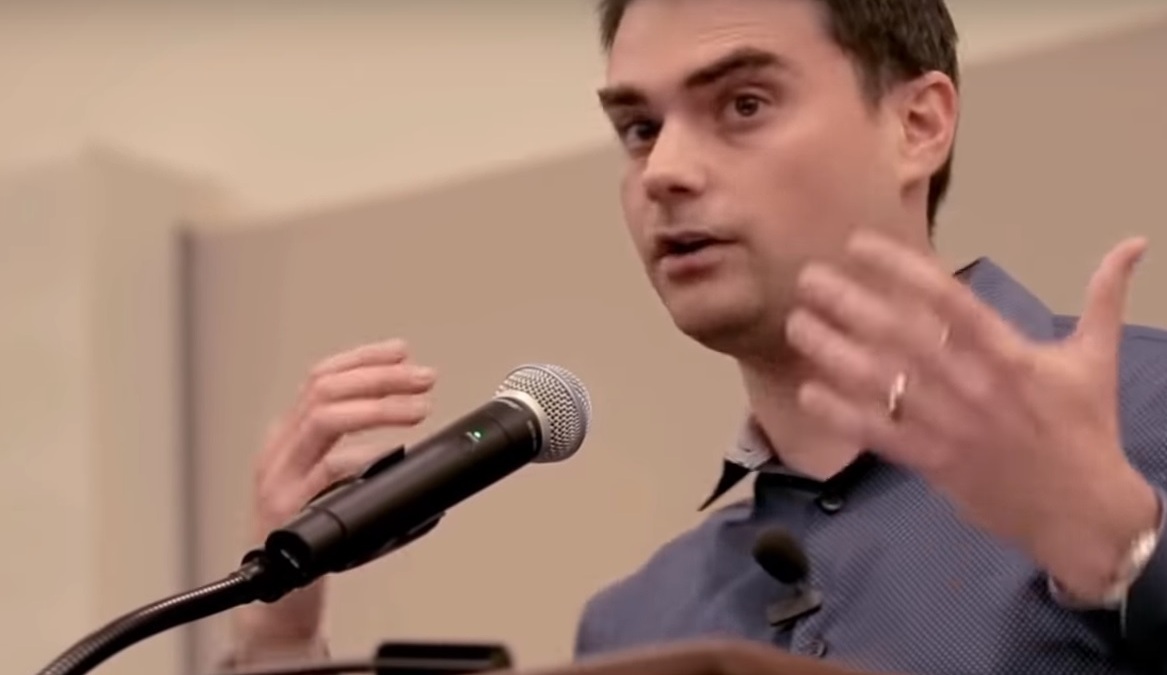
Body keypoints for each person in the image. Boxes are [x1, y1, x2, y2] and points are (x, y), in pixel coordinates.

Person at [226, 0, 1167, 672]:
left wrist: (1131, 553)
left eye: (743, 104)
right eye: (639, 128)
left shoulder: (1149, 414)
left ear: (916, 125)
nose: (663, 170)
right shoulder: (641, 622)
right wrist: (278, 637)